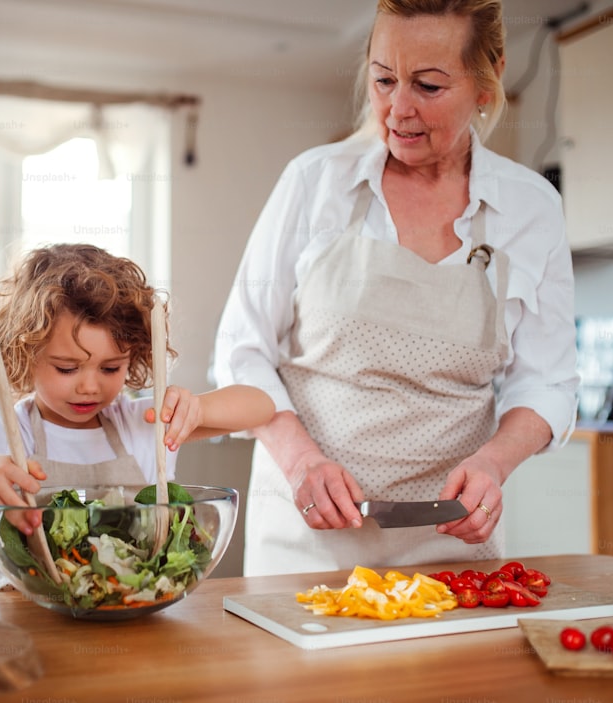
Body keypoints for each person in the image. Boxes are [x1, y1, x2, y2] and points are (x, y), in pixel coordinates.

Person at [212, 0, 579, 576]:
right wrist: (301, 461)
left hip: (454, 548)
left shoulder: (532, 208)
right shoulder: (314, 182)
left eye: (429, 86)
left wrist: (495, 462)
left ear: (488, 82)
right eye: (384, 80)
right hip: (306, 544)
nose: (398, 109)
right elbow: (241, 352)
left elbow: (549, 381)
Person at [0, 243, 275, 537]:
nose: (90, 385)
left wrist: (197, 409)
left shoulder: (141, 424)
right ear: (25, 353)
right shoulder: (2, 431)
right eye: (66, 367)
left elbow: (261, 405)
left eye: (111, 367)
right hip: (29, 621)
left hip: (134, 618)